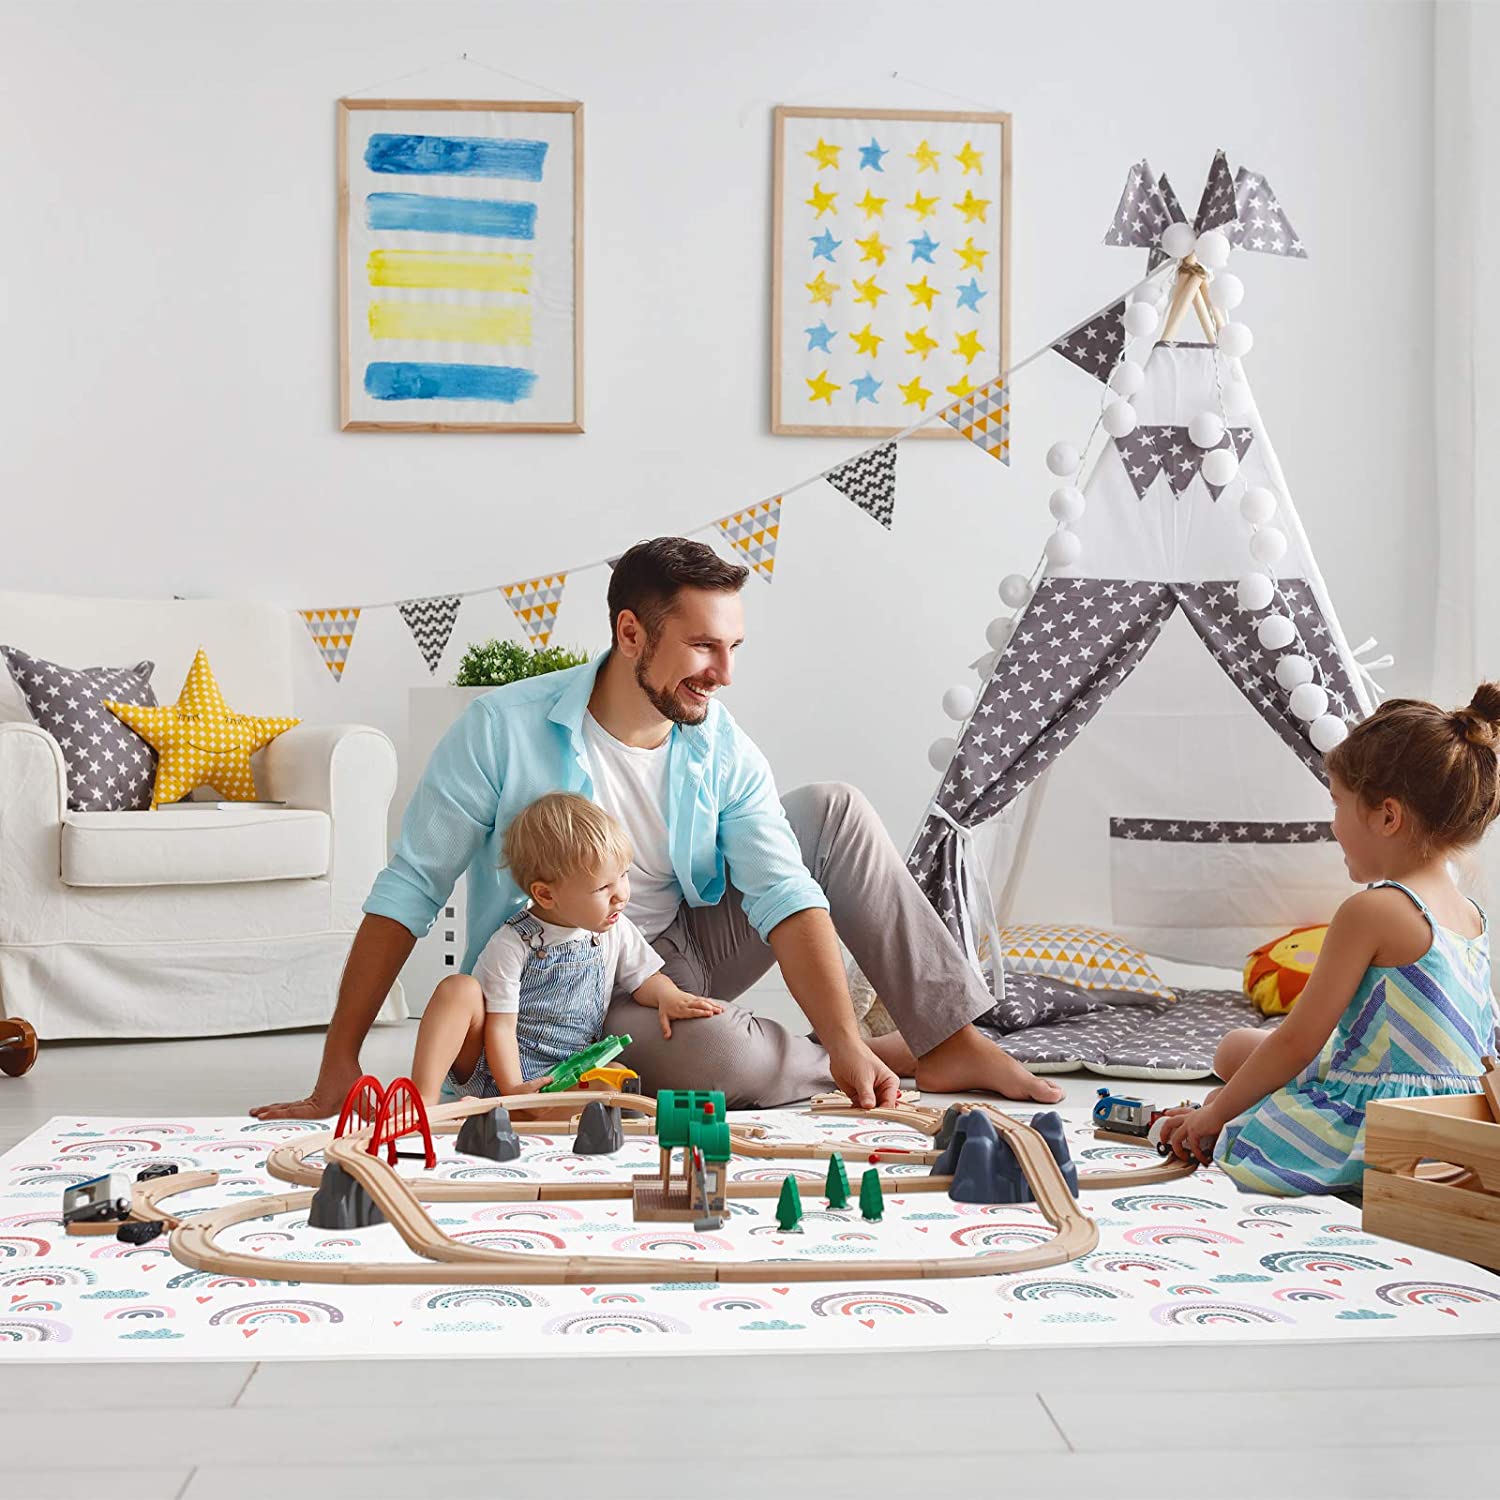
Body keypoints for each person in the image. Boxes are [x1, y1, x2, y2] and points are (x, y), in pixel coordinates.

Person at [252, 536, 1062, 1121]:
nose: (725, 672)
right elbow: (409, 891)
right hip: (571, 987)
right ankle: (861, 1058)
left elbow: (782, 889)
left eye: (734, 645)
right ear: (630, 632)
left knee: (835, 810)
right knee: (724, 1062)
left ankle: (945, 1039)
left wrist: (845, 1030)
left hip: (683, 949)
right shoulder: (503, 729)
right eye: (703, 646)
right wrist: (338, 1065)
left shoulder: (717, 739)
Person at [1160, 685, 1500, 1193]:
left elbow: (1299, 1039)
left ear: (1387, 816)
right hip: (1462, 1114)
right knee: (1239, 1047)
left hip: (1387, 1123)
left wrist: (1216, 1117)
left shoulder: (1373, 909)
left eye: (1338, 803)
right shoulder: (1468, 913)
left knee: (1236, 1077)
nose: (1334, 824)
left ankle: (1222, 1113)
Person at [408, 792, 723, 1106]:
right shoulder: (513, 943)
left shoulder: (614, 928)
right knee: (458, 989)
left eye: (624, 875)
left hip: (565, 1072)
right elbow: (501, 1027)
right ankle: (426, 1097)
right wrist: (515, 1089)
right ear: (545, 895)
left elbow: (644, 980)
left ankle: (520, 1114)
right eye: (603, 888)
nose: (621, 896)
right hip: (495, 1068)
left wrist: (668, 996)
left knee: (616, 1078)